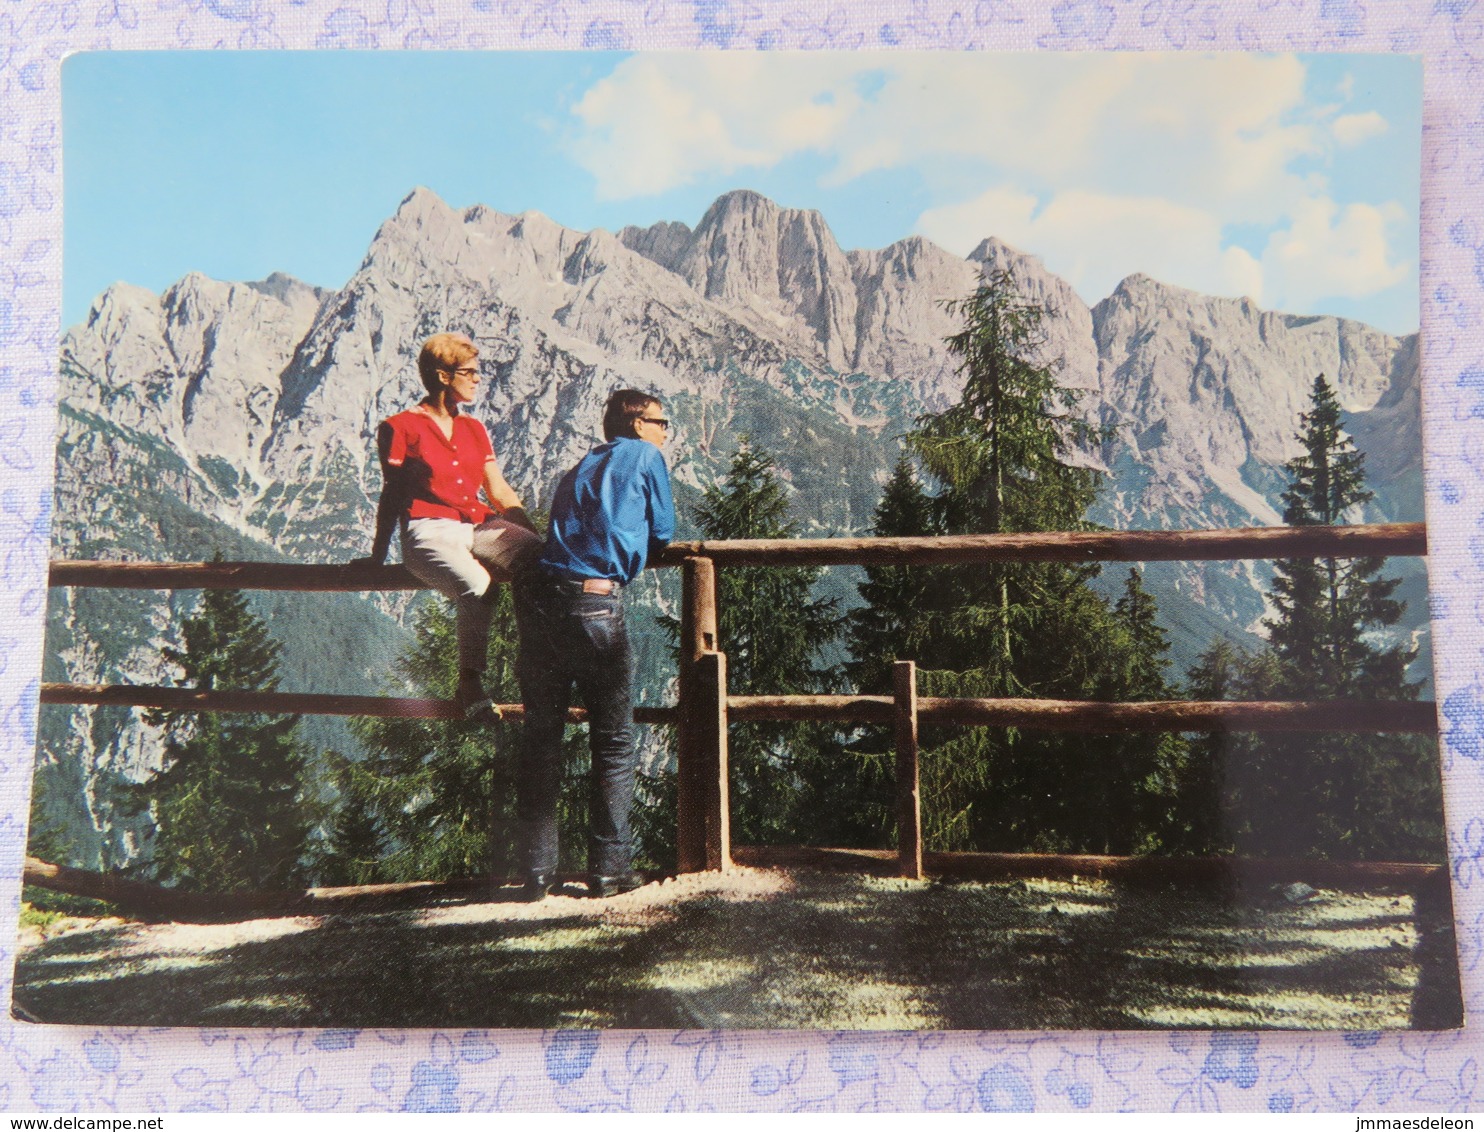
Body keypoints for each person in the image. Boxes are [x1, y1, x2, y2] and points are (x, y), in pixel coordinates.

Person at [514, 389, 675, 900]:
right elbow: (665, 533)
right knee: (613, 741)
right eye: (661, 421)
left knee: (543, 739)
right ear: (637, 424)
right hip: (595, 606)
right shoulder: (646, 456)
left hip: (542, 607)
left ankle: (536, 874)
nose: (666, 431)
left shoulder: (581, 464)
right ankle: (608, 870)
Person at [361, 332, 542, 721]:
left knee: (542, 562)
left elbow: (497, 489)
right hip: (428, 529)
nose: (478, 379)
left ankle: (543, 671)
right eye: (470, 372)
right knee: (477, 586)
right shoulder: (400, 427)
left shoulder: (474, 428)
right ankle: (470, 683)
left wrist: (533, 536)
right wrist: (378, 555)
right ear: (444, 376)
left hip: (476, 522)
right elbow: (392, 495)